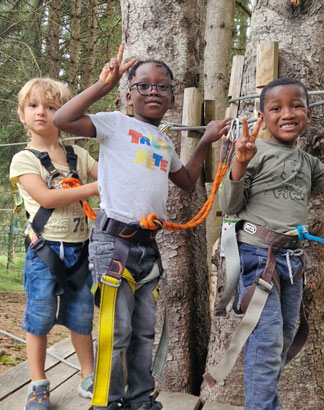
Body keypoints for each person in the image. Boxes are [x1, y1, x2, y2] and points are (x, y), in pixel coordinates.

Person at [52, 45, 232, 410]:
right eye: (144, 86)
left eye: (162, 87)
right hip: (113, 242)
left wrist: (206, 141)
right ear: (129, 93)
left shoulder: (164, 142)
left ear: (171, 97)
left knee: (143, 332)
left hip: (148, 246)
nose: (153, 92)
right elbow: (63, 120)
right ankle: (107, 401)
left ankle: (138, 399)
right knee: (114, 332)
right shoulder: (114, 124)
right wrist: (104, 85)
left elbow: (187, 180)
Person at [218, 77, 324, 410]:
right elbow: (229, 205)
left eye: (296, 106)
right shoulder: (254, 152)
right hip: (258, 258)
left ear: (309, 114)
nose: (287, 113)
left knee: (281, 341)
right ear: (262, 116)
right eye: (276, 108)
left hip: (291, 260)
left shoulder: (308, 163)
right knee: (267, 342)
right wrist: (239, 161)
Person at [9, 78, 98, 410]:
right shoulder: (24, 160)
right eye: (33, 106)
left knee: (81, 315)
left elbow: (111, 175)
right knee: (40, 316)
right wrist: (93, 188)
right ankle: (38, 383)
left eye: (51, 106)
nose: (42, 112)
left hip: (80, 250)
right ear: (23, 114)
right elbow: (46, 197)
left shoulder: (78, 155)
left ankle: (88, 376)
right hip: (45, 253)